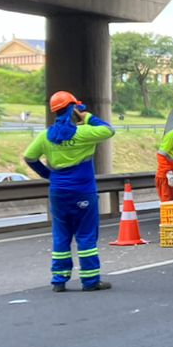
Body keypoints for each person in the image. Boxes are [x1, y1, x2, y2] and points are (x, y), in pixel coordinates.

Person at [23, 90, 116, 292]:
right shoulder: (84, 133)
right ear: (73, 108)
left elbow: (29, 157)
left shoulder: (45, 137)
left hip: (58, 192)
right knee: (86, 236)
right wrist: (87, 116)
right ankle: (90, 281)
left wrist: (48, 175)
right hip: (83, 192)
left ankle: (59, 280)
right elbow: (108, 130)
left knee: (61, 235)